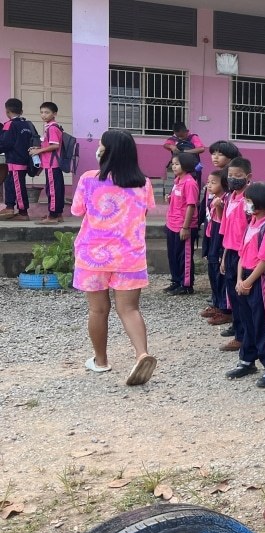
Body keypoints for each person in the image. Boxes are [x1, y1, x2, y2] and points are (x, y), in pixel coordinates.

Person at [70, 130, 157, 386]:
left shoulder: (89, 179)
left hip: (93, 254)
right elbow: (144, 214)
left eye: (100, 146)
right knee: (129, 309)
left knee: (98, 310)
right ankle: (142, 354)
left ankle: (101, 361)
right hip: (130, 255)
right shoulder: (144, 183)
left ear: (106, 152)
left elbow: (77, 211)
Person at [234, 183, 265, 388]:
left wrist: (248, 281)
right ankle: (247, 359)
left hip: (259, 279)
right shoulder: (252, 222)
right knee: (247, 321)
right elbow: (241, 254)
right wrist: (239, 280)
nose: (245, 204)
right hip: (245, 276)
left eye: (248, 201)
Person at [219, 157, 252, 356]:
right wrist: (224, 256)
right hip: (230, 252)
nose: (233, 179)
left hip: (243, 253)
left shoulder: (248, 199)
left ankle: (244, 337)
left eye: (237, 176)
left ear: (248, 177)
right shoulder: (231, 197)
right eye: (230, 176)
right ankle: (239, 332)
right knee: (232, 295)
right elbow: (226, 229)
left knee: (242, 298)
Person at [164, 153, 199, 296]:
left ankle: (186, 285)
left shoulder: (190, 182)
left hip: (183, 226)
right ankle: (176, 281)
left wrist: (185, 227)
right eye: (173, 164)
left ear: (186, 165)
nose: (174, 166)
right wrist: (169, 199)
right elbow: (179, 201)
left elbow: (191, 205)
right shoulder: (177, 180)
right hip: (172, 223)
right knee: (173, 254)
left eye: (177, 164)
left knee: (183, 256)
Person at [28, 102, 64, 224]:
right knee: (56, 189)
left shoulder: (52, 128)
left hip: (52, 164)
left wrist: (39, 150)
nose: (43, 115)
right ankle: (57, 214)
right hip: (52, 164)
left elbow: (55, 146)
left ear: (54, 114)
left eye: (47, 112)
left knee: (52, 190)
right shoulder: (49, 127)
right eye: (42, 112)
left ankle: (53, 216)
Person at [200, 170, 229, 321]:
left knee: (219, 273)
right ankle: (216, 303)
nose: (209, 185)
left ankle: (224, 309)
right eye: (208, 182)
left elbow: (222, 220)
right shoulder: (213, 197)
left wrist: (218, 206)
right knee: (212, 271)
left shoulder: (224, 200)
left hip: (220, 237)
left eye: (213, 182)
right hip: (212, 236)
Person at [0, 98, 32, 221]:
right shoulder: (27, 124)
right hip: (24, 160)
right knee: (10, 183)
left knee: (18, 186)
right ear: (21, 111)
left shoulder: (9, 125)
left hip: (15, 160)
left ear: (7, 112)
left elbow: (5, 143)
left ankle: (23, 213)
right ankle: (9, 207)